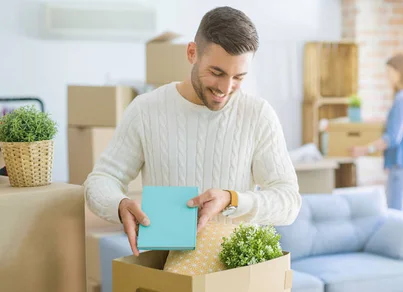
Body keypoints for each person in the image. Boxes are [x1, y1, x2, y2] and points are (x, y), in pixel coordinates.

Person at [84, 6, 302, 256]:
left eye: (238, 77)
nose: (226, 88)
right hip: (165, 273)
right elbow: (100, 180)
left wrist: (232, 200)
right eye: (216, 72)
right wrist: (118, 204)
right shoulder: (146, 110)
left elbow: (289, 202)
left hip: (235, 276)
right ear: (192, 53)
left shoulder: (258, 115)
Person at [350, 53, 403, 213]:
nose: (387, 78)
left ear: (399, 73)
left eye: (389, 73)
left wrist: (363, 150)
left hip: (402, 164)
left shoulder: (402, 99)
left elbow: (392, 138)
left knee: (394, 214)